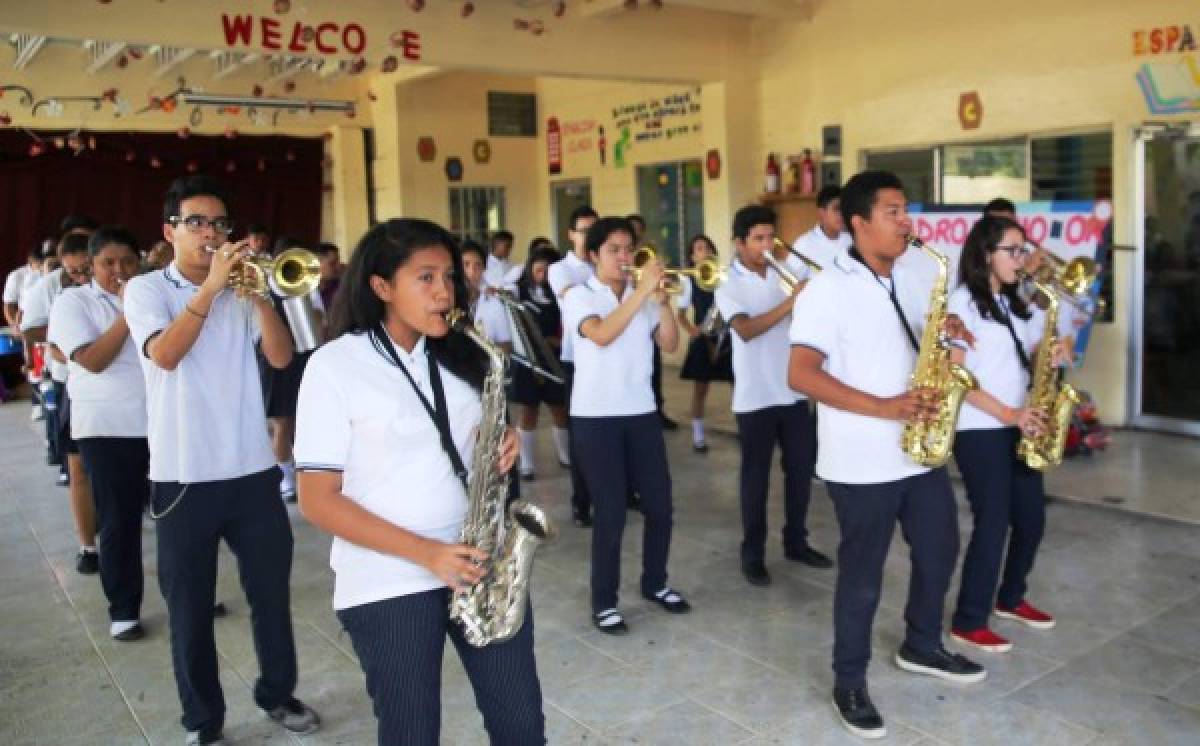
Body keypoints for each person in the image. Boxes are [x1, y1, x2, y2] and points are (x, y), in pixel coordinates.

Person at [294, 218, 544, 745]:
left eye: (449, 277)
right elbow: (318, 501)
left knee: (522, 729)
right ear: (381, 287)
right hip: (389, 579)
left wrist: (504, 442)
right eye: (425, 278)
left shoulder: (465, 355)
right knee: (412, 734)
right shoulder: (334, 366)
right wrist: (427, 553)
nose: (444, 292)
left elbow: (474, 441)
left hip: (482, 565)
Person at [123, 174, 319, 745]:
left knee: (271, 598)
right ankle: (203, 721)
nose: (211, 233)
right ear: (170, 230)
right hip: (184, 477)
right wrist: (209, 290)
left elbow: (281, 358)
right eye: (198, 222)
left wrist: (257, 297)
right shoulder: (145, 290)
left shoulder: (241, 289)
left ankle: (277, 693)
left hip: (253, 472)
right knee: (188, 611)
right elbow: (164, 355)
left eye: (219, 223)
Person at [788, 170, 984, 739]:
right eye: (894, 212)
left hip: (918, 451)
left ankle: (922, 644)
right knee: (863, 575)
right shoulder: (829, 287)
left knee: (940, 547)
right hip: (860, 459)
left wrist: (943, 330)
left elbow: (910, 340)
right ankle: (849, 679)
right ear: (859, 222)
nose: (907, 222)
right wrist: (884, 406)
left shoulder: (918, 273)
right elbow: (801, 374)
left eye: (906, 210)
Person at [562, 216, 690, 635]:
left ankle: (655, 582)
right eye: (613, 249)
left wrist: (664, 302)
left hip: (641, 413)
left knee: (661, 506)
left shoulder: (645, 298)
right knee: (612, 512)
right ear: (594, 254)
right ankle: (604, 601)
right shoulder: (579, 295)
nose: (623, 257)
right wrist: (640, 295)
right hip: (595, 418)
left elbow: (669, 344)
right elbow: (601, 334)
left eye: (628, 249)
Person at [947, 215, 1063, 654]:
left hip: (1019, 424)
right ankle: (968, 620)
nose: (1022, 258)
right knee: (992, 522)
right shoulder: (961, 305)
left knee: (1031, 519)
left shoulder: (1017, 303)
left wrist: (1055, 352)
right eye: (1012, 250)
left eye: (1022, 249)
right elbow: (955, 375)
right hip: (980, 428)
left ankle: (1011, 597)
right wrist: (1010, 413)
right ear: (984, 254)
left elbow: (1033, 356)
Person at [715, 207, 831, 587]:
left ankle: (796, 541)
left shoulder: (786, 273)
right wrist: (790, 303)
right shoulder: (726, 283)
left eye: (770, 238)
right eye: (758, 239)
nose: (767, 246)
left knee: (799, 472)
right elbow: (746, 329)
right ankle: (753, 554)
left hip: (793, 391)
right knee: (756, 479)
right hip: (754, 397)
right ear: (740, 242)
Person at [47, 226, 149, 640]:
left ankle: (193, 593)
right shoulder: (74, 302)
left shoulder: (154, 293)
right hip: (108, 429)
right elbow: (92, 360)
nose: (119, 270)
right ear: (90, 267)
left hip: (162, 421)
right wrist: (128, 314)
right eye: (108, 263)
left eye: (127, 261)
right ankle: (124, 607)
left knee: (183, 516)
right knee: (119, 519)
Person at [23, 232, 98, 572]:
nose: (81, 276)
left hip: (127, 392)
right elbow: (30, 328)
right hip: (74, 384)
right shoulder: (54, 287)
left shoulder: (125, 283)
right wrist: (63, 335)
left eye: (87, 268)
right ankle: (87, 545)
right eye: (74, 271)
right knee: (79, 466)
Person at [548, 206, 599, 526]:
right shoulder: (560, 269)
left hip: (611, 358)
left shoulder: (603, 265)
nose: (589, 236)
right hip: (576, 359)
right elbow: (574, 300)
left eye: (595, 230)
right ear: (571, 234)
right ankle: (581, 502)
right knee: (581, 434)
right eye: (584, 230)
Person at [510, 244, 570, 480]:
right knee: (529, 410)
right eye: (538, 269)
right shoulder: (518, 292)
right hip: (527, 359)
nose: (542, 274)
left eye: (547, 270)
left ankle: (565, 456)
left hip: (553, 359)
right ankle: (526, 463)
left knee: (559, 409)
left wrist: (560, 340)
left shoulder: (561, 295)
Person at [676, 235, 733, 453]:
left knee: (737, 384)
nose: (705, 251)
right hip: (704, 339)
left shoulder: (724, 276)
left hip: (726, 336)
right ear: (692, 256)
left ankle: (745, 430)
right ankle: (698, 436)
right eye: (699, 249)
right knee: (700, 389)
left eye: (708, 247)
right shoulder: (688, 280)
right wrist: (693, 331)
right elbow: (680, 315)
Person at [626, 213, 677, 431]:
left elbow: (671, 345)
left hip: (649, 316)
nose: (637, 233)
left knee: (653, 369)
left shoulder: (648, 253)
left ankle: (657, 409)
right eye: (633, 229)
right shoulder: (626, 258)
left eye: (639, 229)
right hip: (630, 313)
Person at [792, 184, 853, 268]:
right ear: (821, 213)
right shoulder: (804, 244)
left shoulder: (851, 240)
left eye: (843, 209)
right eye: (836, 209)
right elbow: (791, 279)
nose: (841, 214)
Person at [4, 244, 44, 329]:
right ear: (30, 261)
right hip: (27, 322)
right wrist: (16, 327)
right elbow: (9, 306)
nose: (43, 268)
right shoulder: (16, 276)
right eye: (40, 264)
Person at [316, 242, 342, 310]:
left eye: (338, 262)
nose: (338, 267)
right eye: (332, 263)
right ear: (317, 264)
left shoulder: (342, 286)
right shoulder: (303, 289)